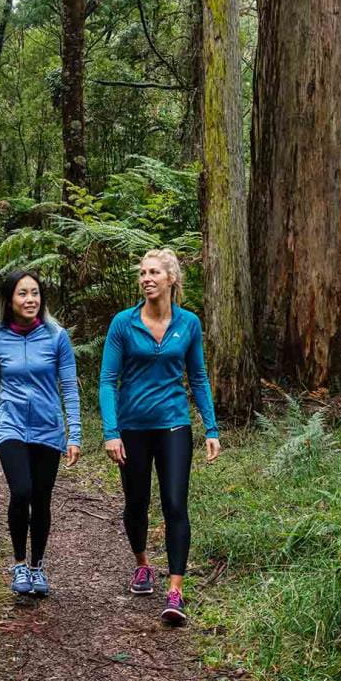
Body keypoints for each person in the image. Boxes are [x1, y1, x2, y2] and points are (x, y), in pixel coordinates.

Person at [99, 248, 220, 625]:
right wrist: (111, 432)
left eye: (154, 273)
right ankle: (142, 566)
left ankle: (175, 591)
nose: (146, 278)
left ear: (171, 280)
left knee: (174, 504)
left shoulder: (189, 324)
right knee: (136, 504)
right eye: (143, 273)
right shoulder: (123, 323)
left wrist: (211, 428)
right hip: (132, 428)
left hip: (173, 425)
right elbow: (106, 380)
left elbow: (197, 378)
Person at [0, 270, 81, 597]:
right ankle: (20, 563)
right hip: (9, 426)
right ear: (10, 300)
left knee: (41, 499)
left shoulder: (56, 336)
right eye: (23, 294)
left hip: (47, 429)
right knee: (21, 491)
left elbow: (69, 388)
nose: (30, 300)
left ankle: (37, 567)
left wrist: (74, 434)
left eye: (35, 293)